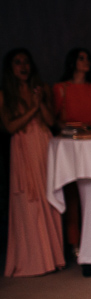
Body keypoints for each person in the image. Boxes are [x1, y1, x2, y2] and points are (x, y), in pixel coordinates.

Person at [2, 48, 65, 277]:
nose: (23, 66)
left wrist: (41, 103)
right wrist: (33, 108)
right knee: (28, 203)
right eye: (18, 62)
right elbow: (10, 126)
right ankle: (35, 260)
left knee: (48, 198)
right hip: (23, 149)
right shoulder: (5, 95)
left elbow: (51, 121)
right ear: (11, 67)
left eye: (26, 62)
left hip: (43, 144)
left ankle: (54, 258)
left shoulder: (42, 89)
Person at [53, 48, 91, 257]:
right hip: (72, 144)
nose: (86, 61)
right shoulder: (61, 88)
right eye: (81, 58)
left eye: (88, 58)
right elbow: (55, 119)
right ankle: (74, 242)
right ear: (72, 62)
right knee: (73, 194)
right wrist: (71, 130)